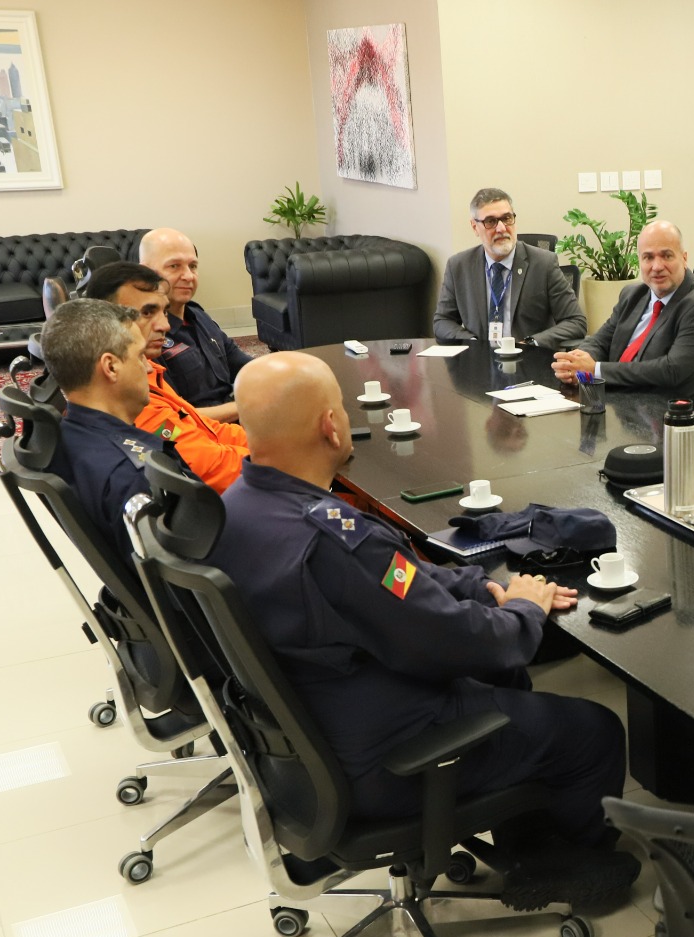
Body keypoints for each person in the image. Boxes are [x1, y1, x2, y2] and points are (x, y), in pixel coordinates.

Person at [208, 351, 637, 907]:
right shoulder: (333, 541)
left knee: (511, 686)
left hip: (311, 740)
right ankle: (567, 867)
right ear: (330, 424)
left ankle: (525, 828)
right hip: (386, 755)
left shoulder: (237, 508)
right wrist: (526, 609)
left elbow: (403, 585)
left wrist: (478, 589)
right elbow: (457, 644)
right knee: (593, 730)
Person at [84, 262, 251, 493]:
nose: (164, 325)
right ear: (105, 320)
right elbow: (210, 468)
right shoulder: (124, 392)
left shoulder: (148, 369)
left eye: (163, 311)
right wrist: (286, 458)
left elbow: (208, 429)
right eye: (146, 313)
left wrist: (272, 441)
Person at [37, 299, 174, 563]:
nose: (148, 367)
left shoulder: (65, 437)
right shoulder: (138, 476)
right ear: (111, 367)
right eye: (140, 356)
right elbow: (185, 589)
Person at [550, 220, 694, 405]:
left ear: (684, 258)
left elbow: (669, 370)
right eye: (648, 257)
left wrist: (595, 370)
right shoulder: (633, 295)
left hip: (667, 415)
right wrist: (575, 363)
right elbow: (601, 341)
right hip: (623, 404)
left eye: (666, 256)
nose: (657, 266)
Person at [433, 187, 587, 351]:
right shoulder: (458, 266)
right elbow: (442, 322)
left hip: (529, 361)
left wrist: (532, 342)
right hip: (479, 364)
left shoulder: (543, 264)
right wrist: (472, 342)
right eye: (490, 221)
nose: (501, 228)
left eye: (506, 218)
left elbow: (575, 322)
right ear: (474, 227)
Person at [138, 227, 251, 418]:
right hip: (203, 435)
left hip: (236, 416)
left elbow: (242, 365)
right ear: (145, 272)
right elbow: (176, 418)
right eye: (174, 266)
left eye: (193, 266)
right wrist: (250, 406)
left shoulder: (198, 315)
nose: (189, 276)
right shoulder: (146, 337)